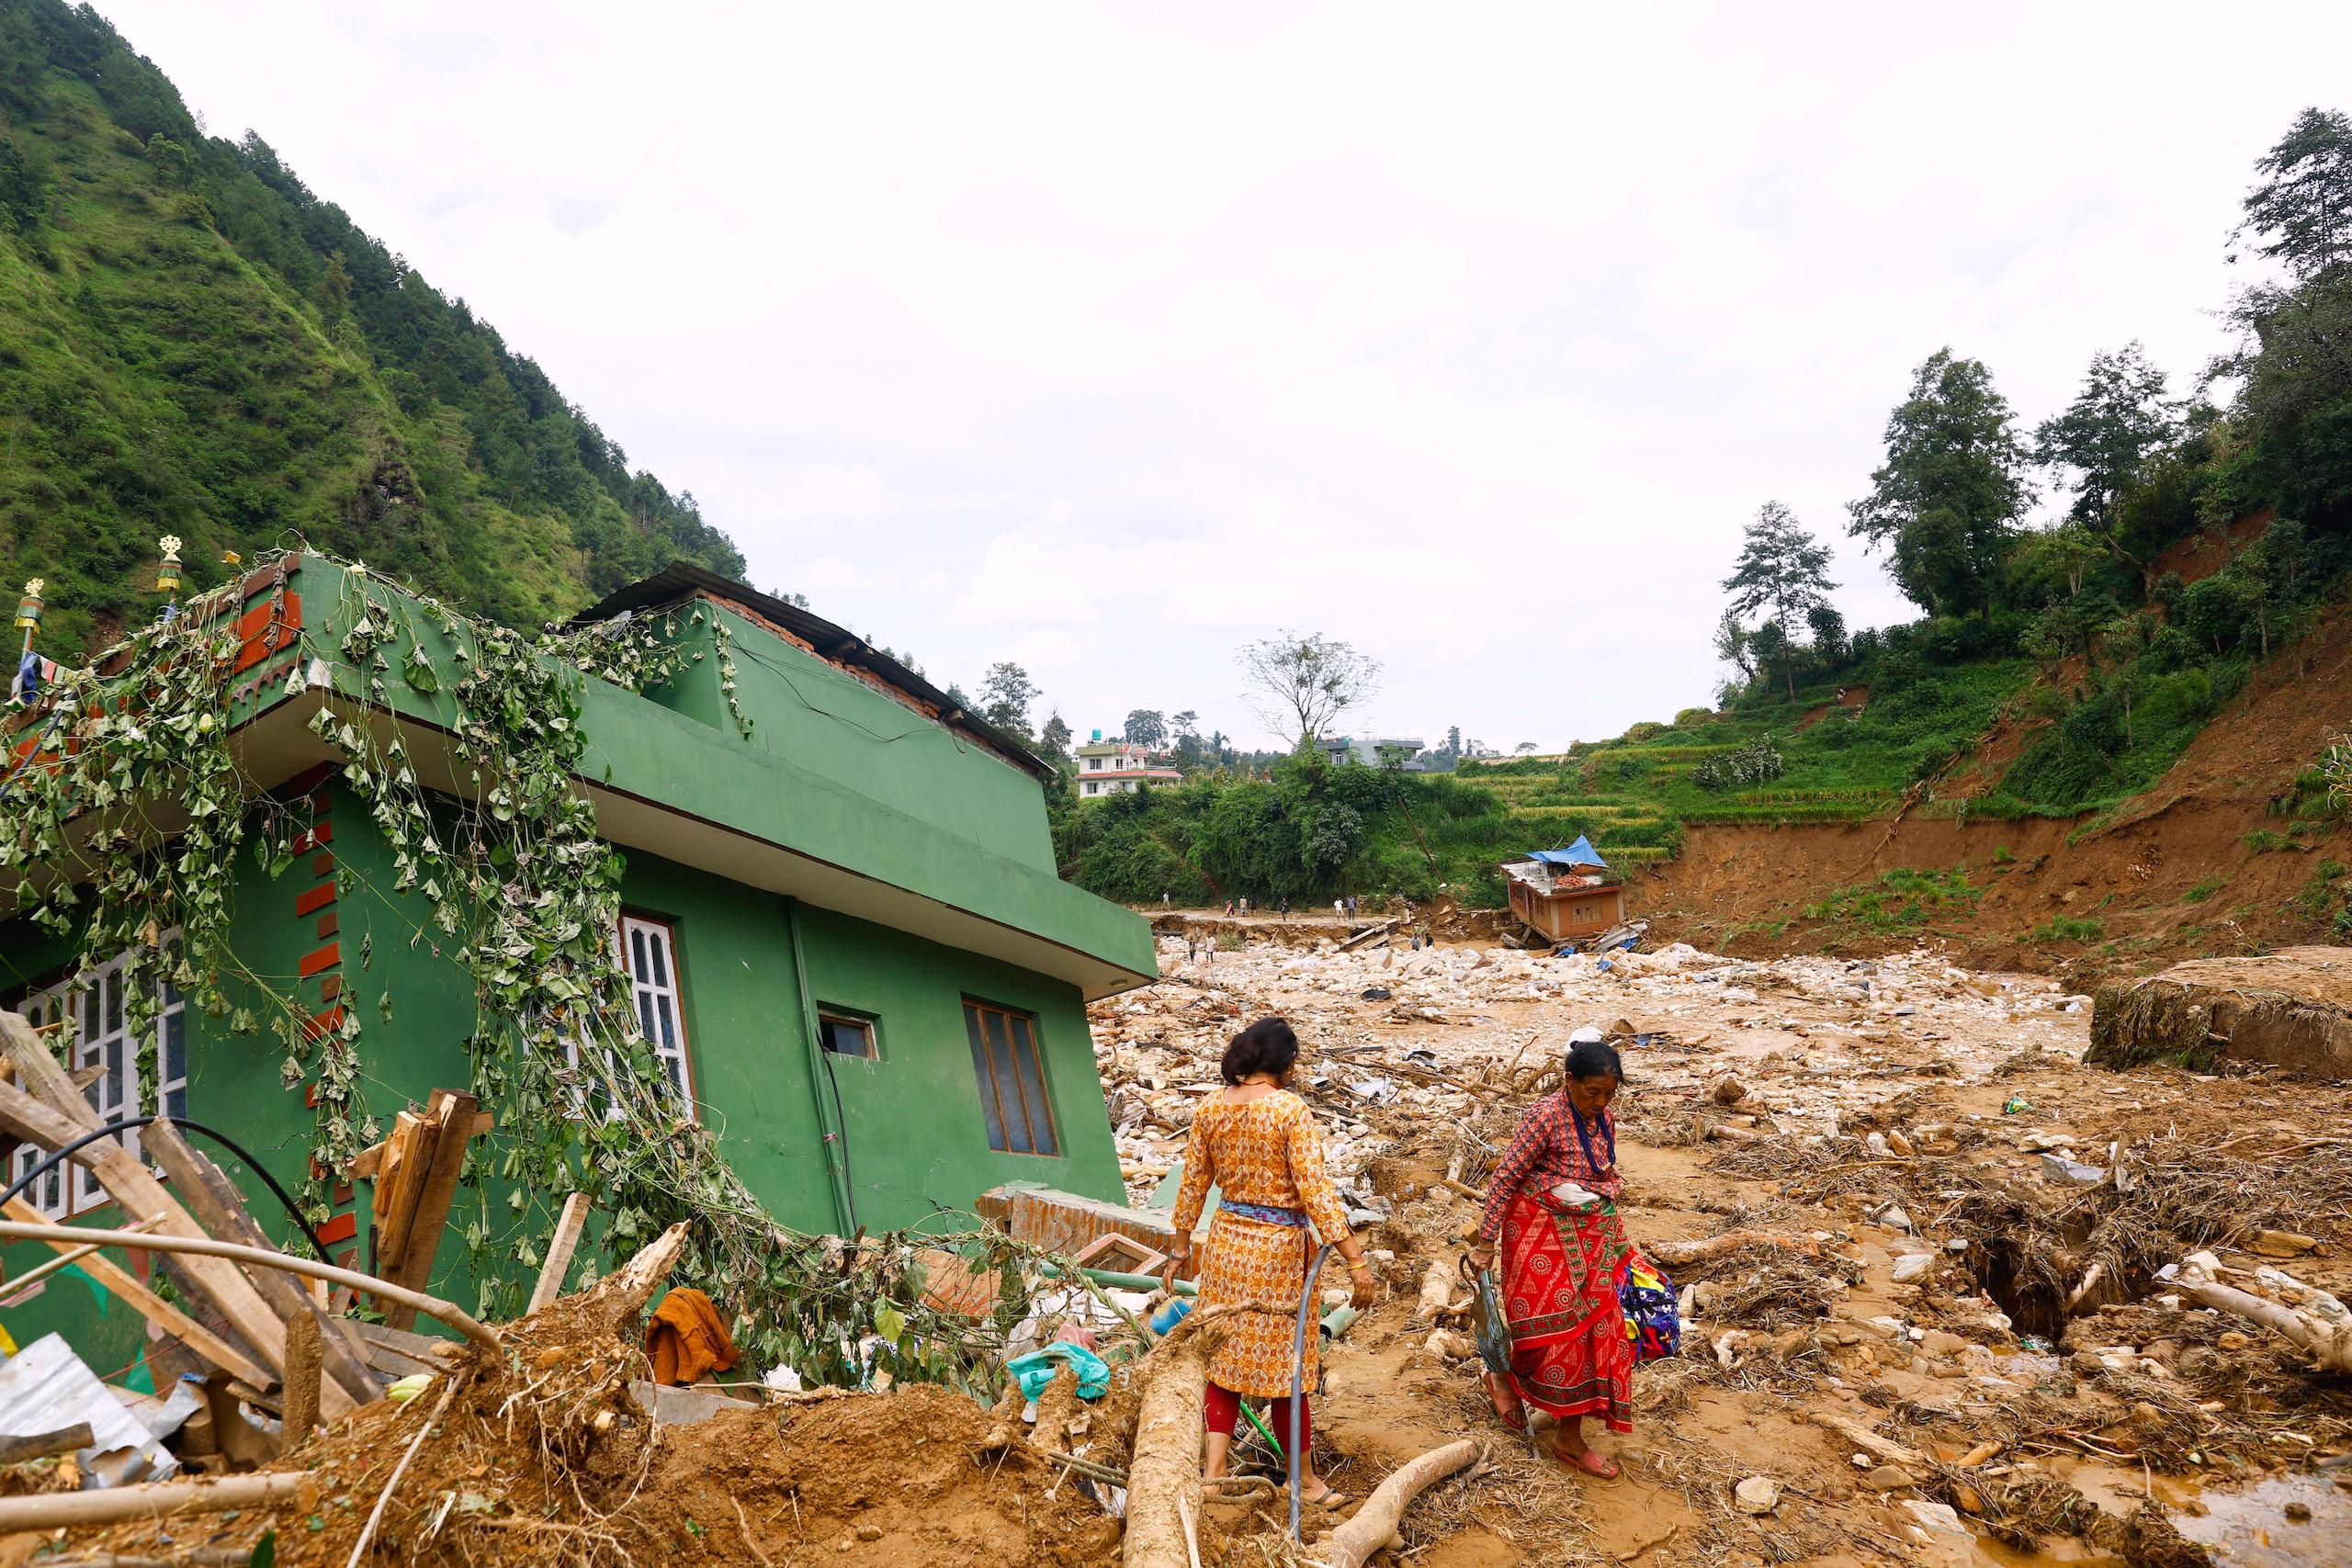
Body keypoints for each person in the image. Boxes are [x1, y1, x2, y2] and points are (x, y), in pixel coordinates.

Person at [1165, 1018, 1376, 1505]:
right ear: (1286, 1062)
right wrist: (1355, 1260)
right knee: (1288, 1368)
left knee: (1222, 1357)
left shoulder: (1210, 1108)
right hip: (1278, 1252)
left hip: (1225, 1246)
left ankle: (1213, 1472)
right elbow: (1316, 1192)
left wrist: (1179, 1251)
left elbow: (1192, 1185)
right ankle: (1303, 1480)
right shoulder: (1289, 1111)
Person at [1465, 1041, 1642, 1477]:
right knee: (1549, 1332)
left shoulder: (1604, 1121)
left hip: (1586, 1241)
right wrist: (1486, 1243)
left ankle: (1566, 1432)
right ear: (1568, 1082)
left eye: (1608, 1094)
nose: (1599, 1103)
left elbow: (1603, 1174)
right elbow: (1505, 1177)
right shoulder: (1544, 1116)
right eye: (1591, 1093)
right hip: (1537, 1235)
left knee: (1596, 1329)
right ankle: (1508, 1381)